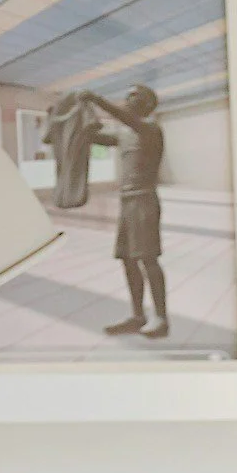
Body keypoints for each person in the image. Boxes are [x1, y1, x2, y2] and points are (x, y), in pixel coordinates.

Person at [89, 81, 170, 337]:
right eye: (127, 95)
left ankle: (161, 318)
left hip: (144, 201)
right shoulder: (126, 133)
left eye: (134, 96)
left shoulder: (150, 129)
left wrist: (96, 99)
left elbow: (123, 118)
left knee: (148, 259)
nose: (128, 99)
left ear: (147, 104)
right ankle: (137, 315)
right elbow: (93, 137)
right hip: (127, 202)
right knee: (127, 259)